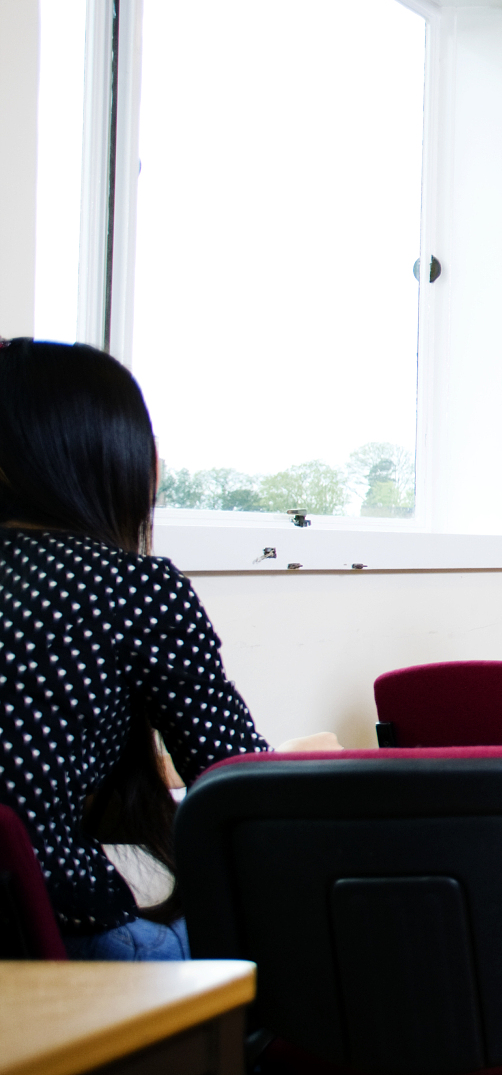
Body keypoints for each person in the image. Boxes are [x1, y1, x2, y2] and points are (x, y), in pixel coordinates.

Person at [0, 338, 334, 961]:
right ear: (108, 455)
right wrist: (293, 761)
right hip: (54, 937)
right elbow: (241, 789)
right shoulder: (130, 584)